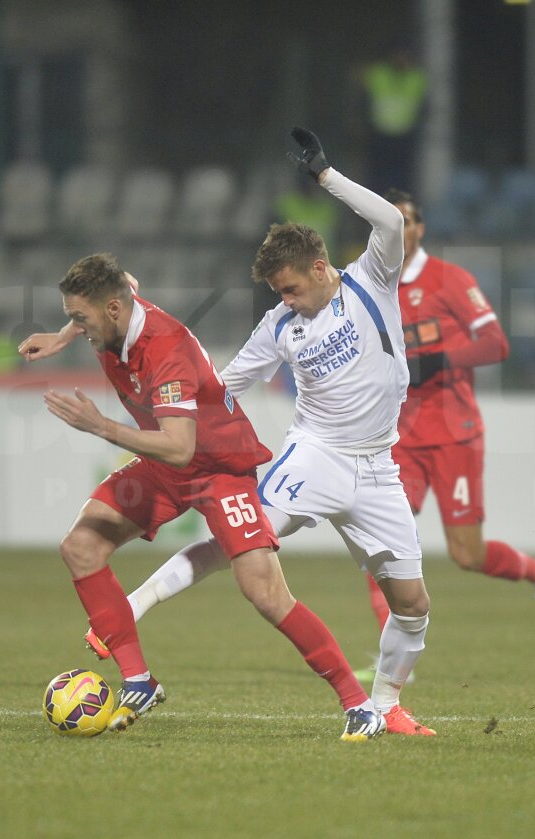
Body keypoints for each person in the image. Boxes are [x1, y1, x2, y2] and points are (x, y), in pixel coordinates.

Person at [85, 128, 437, 737]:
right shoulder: (279, 325)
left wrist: (326, 178)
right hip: (315, 457)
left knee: (413, 605)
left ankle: (385, 706)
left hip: (379, 466)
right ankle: (133, 607)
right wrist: (143, 326)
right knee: (236, 545)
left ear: (321, 268)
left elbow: (387, 220)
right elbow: (219, 384)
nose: (287, 301)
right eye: (279, 293)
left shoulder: (371, 280)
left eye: (292, 289)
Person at [17, 253, 384, 741]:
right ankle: (139, 681)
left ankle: (360, 706)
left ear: (112, 312)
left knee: (264, 593)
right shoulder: (115, 309)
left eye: (81, 319)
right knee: (81, 546)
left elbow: (181, 445)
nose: (78, 327)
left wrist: (100, 426)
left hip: (217, 468)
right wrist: (62, 336)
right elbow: (125, 279)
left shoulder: (164, 349)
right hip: (165, 464)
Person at [354, 191, 535, 675]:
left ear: (420, 229)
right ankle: (391, 657)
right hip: (397, 436)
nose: (399, 230)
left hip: (454, 432)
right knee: (378, 544)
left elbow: (496, 344)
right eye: (390, 222)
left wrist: (439, 360)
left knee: (466, 554)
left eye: (406, 221)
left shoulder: (450, 281)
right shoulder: (366, 285)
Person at [360, 46, 428, 195]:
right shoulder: (378, 73)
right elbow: (362, 101)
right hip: (379, 134)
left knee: (402, 179)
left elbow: (423, 106)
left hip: (405, 136)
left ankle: (400, 208)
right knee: (376, 177)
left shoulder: (416, 78)